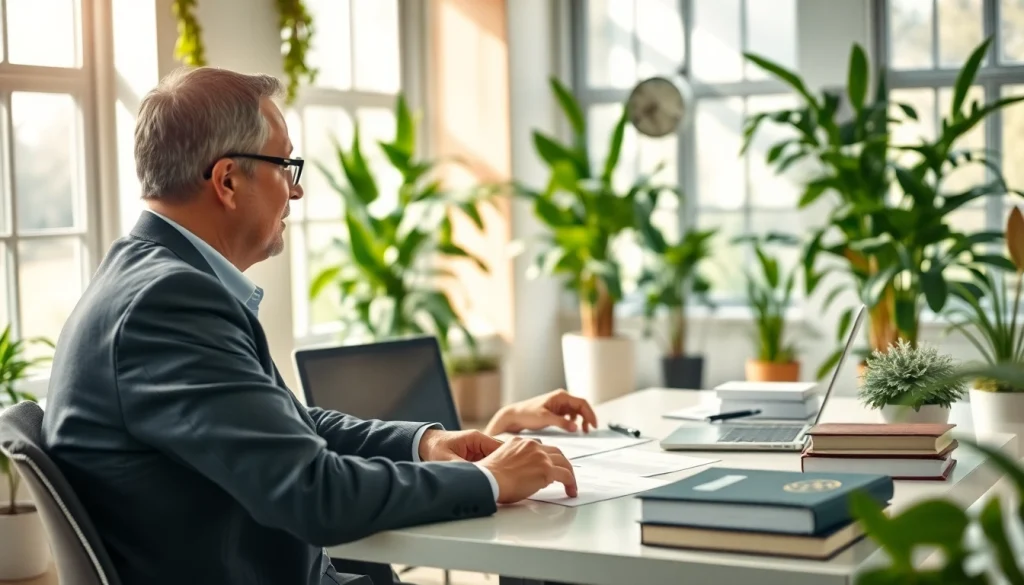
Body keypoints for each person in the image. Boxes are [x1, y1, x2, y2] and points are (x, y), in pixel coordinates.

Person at [40, 66, 596, 585]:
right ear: (228, 181)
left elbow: (288, 423)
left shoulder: (150, 279)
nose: (297, 189)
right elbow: (313, 493)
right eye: (286, 165)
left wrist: (425, 442)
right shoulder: (167, 303)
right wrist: (490, 480)